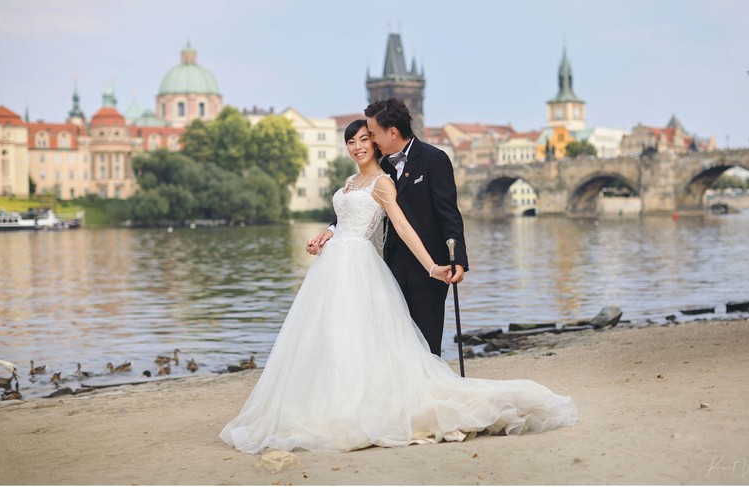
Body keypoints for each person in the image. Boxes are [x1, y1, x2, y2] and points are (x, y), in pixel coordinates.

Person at [219, 119, 577, 453]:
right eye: (351, 142)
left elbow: (404, 229)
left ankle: (357, 407)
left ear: (375, 143)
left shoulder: (383, 183)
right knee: (331, 335)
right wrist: (325, 235)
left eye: (363, 139)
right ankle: (330, 400)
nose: (357, 147)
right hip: (332, 267)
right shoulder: (348, 183)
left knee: (361, 337)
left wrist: (433, 266)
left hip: (360, 267)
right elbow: (343, 221)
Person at [307, 98, 466, 356]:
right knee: (392, 340)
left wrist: (457, 258)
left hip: (428, 264)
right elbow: (358, 207)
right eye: (358, 139)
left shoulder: (433, 159)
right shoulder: (381, 168)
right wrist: (330, 231)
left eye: (372, 135)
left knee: (426, 340)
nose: (370, 141)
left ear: (392, 132)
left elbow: (449, 215)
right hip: (389, 266)